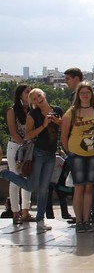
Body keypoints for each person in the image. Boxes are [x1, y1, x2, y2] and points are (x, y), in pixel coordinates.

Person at [0, 88, 63, 232]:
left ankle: (40, 220)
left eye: (39, 95)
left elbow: (66, 126)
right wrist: (44, 125)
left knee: (44, 189)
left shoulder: (57, 109)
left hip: (51, 154)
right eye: (34, 98)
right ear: (32, 102)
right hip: (39, 153)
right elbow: (28, 135)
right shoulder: (33, 114)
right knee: (30, 186)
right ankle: (6, 173)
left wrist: (58, 121)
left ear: (44, 95)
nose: (38, 99)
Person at [60, 82, 94, 233]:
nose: (85, 95)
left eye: (88, 92)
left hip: (92, 154)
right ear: (78, 95)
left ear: (92, 94)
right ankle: (79, 220)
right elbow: (64, 136)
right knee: (79, 187)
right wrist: (70, 152)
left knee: (89, 187)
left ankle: (87, 220)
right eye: (82, 93)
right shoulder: (71, 113)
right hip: (76, 154)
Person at [5, 84, 34, 224]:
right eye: (27, 92)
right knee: (15, 180)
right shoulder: (12, 110)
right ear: (20, 94)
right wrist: (23, 144)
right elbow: (13, 131)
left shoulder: (32, 110)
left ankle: (25, 211)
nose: (29, 94)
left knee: (27, 179)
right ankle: (15, 212)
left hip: (28, 148)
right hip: (16, 147)